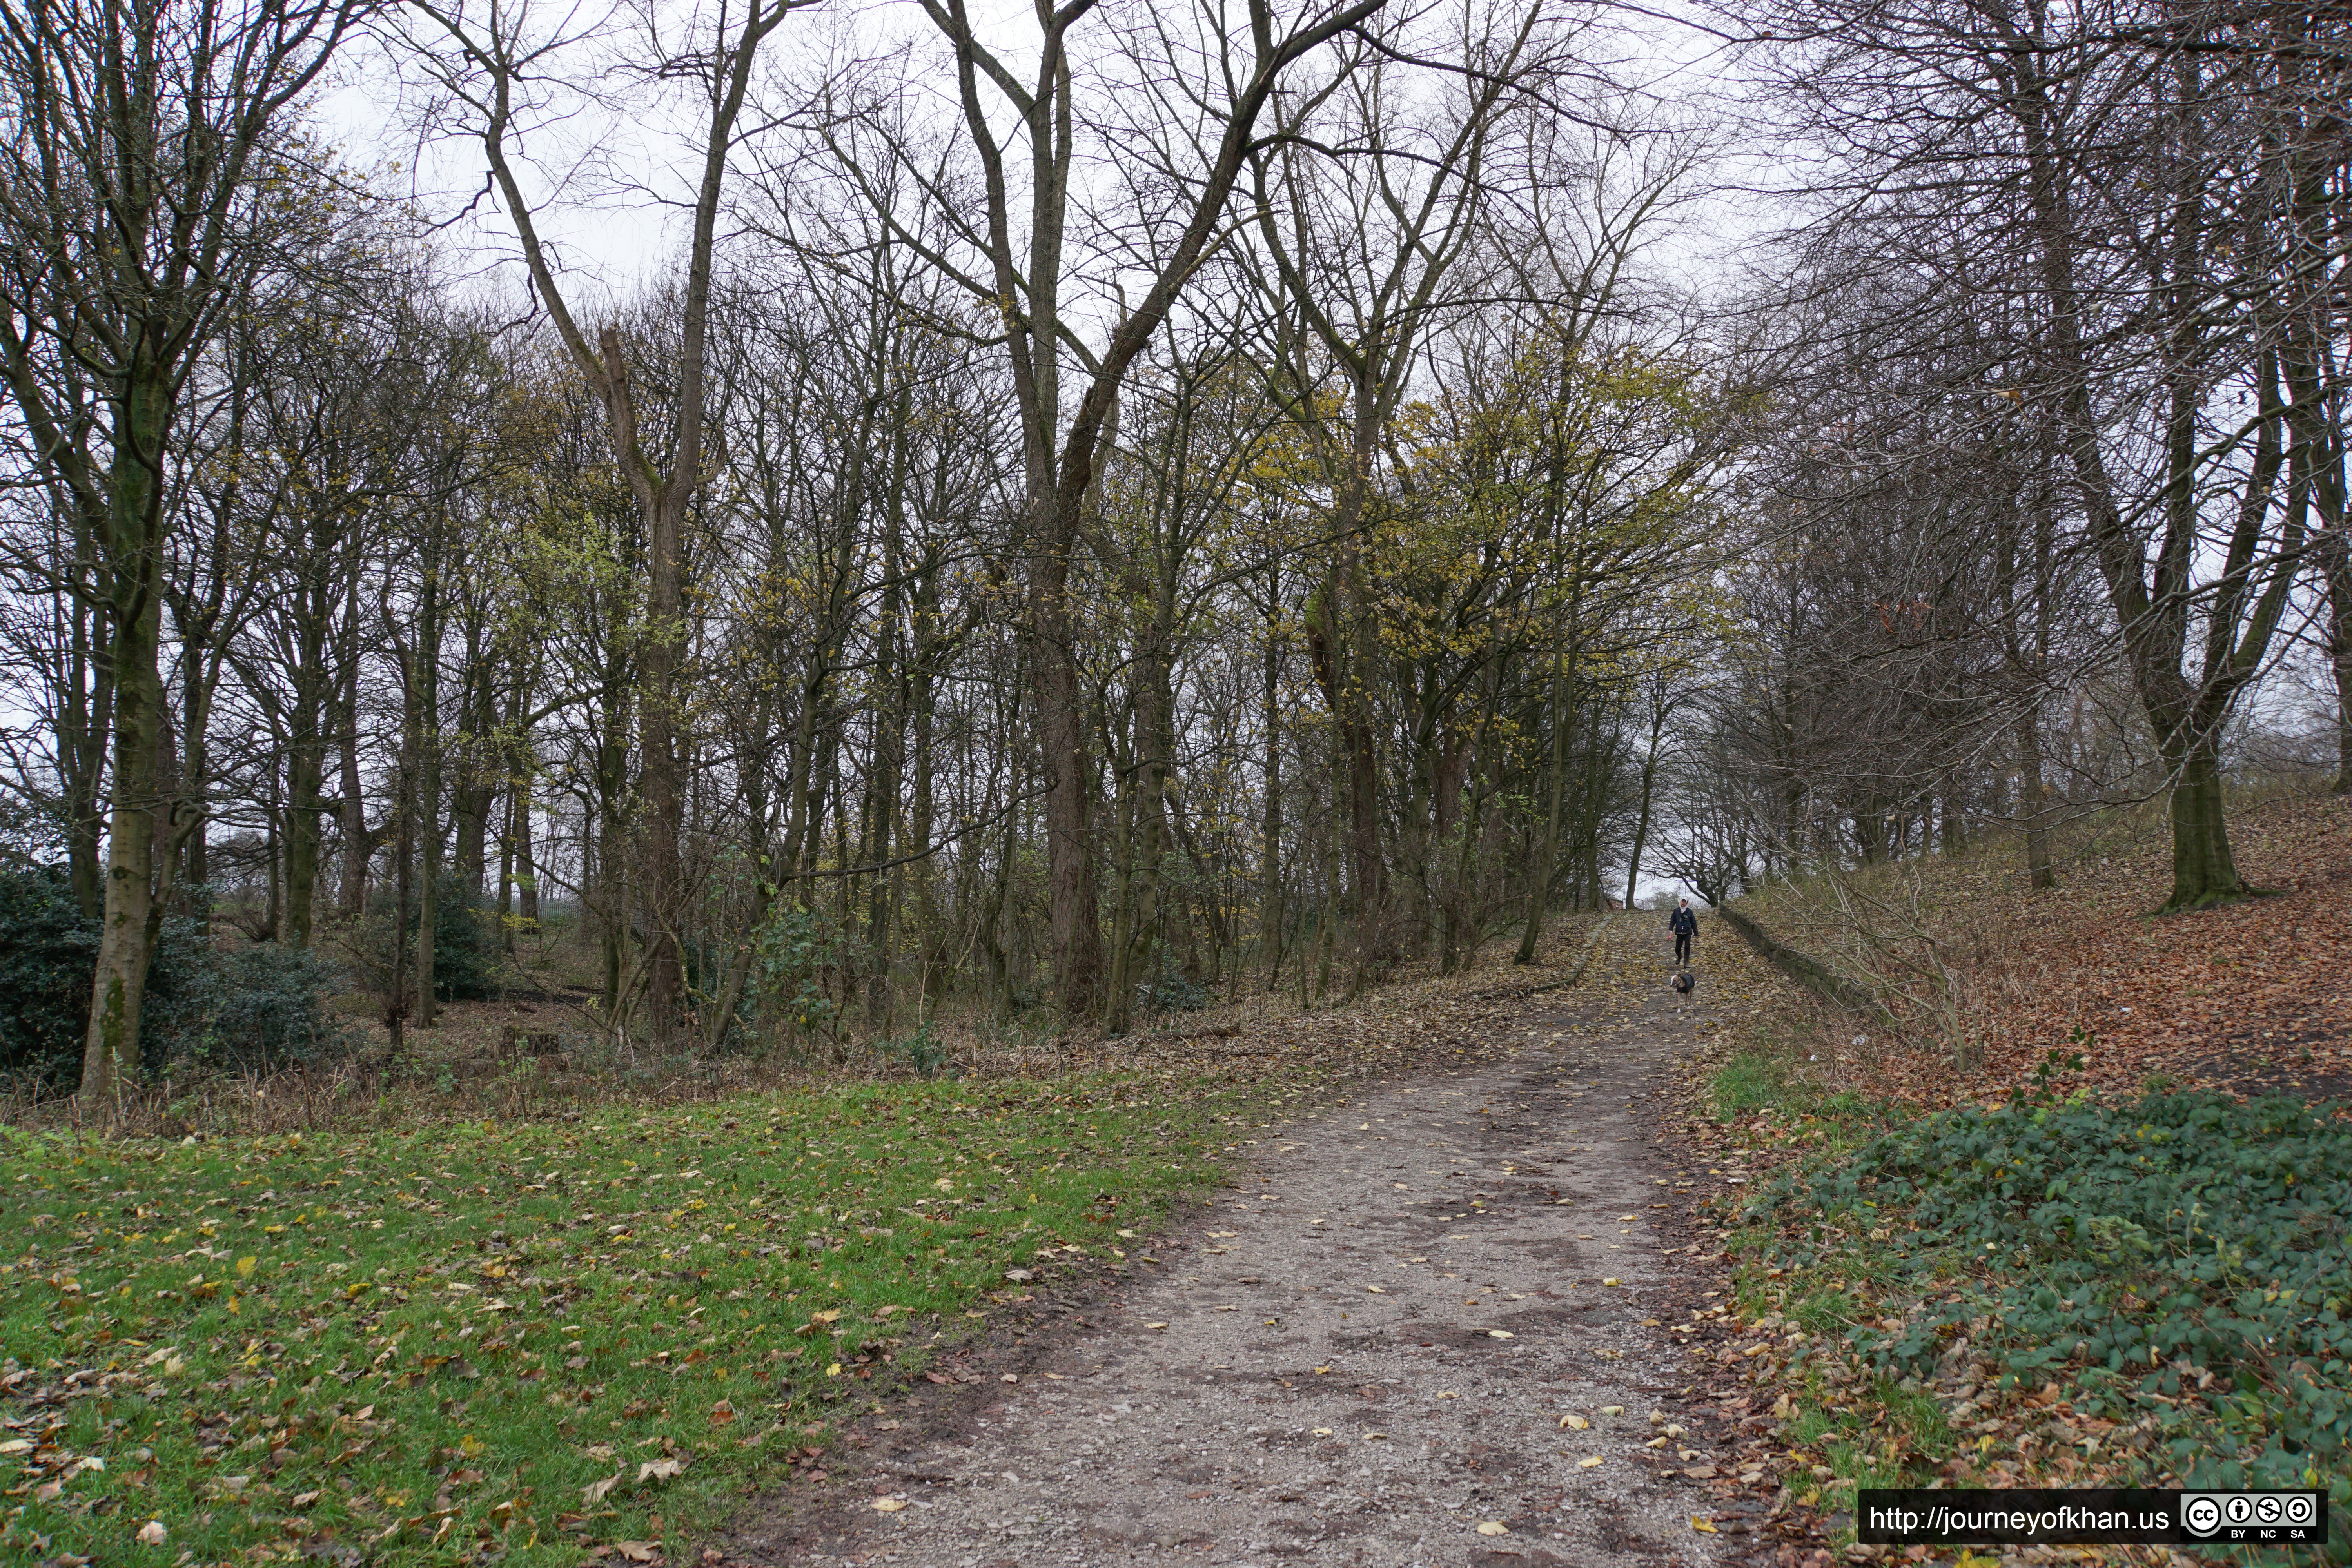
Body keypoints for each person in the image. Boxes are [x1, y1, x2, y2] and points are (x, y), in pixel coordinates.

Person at [1669, 897, 1698, 966]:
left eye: (1685, 902)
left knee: (1687, 947)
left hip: (1688, 932)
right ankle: (1680, 956)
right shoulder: (1676, 911)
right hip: (1679, 932)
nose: (1683, 903)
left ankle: (1686, 963)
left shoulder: (1690, 911)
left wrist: (1696, 933)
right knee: (1677, 949)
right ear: (1680, 901)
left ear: (1687, 903)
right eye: (1683, 901)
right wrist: (1671, 930)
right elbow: (1673, 921)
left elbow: (1693, 922)